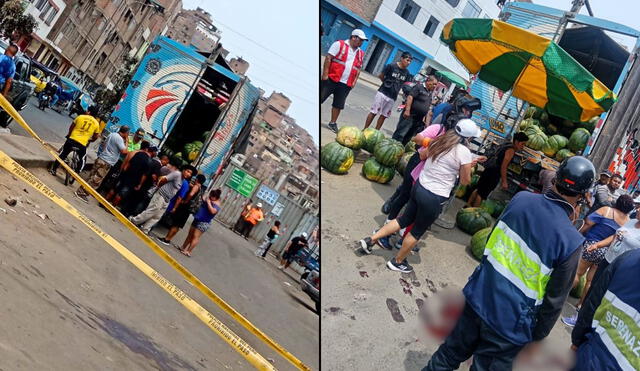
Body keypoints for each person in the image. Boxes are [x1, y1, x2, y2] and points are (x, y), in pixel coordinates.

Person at [421, 156, 595, 370]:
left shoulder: (521, 199)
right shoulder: (572, 241)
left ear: (556, 179)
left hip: (477, 295)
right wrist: (535, 339)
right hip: (510, 326)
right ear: (583, 195)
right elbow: (554, 301)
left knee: (447, 356)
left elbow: (491, 241)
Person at [358, 119, 484, 273]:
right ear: (468, 138)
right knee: (417, 231)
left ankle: (371, 240)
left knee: (402, 219)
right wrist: (467, 165)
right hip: (434, 196)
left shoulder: (439, 140)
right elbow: (465, 181)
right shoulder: (463, 152)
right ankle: (397, 262)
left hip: (419, 187)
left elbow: (423, 156)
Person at [561, 194, 634, 327]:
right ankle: (580, 305)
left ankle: (560, 297)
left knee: (576, 273)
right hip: (606, 252)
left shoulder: (606, 210)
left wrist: (576, 234)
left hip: (591, 245)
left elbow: (587, 223)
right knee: (591, 282)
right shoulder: (629, 221)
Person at [571, 248, 640, 370]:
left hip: (589, 358)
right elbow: (593, 303)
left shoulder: (628, 258)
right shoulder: (628, 258)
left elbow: (592, 304)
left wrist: (576, 341)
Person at [466, 132, 529, 207]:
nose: (523, 147)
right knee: (482, 194)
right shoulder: (511, 150)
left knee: (478, 189)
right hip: (494, 173)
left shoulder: (506, 145)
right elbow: (503, 167)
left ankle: (467, 205)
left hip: (489, 169)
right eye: (522, 144)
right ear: (516, 142)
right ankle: (473, 211)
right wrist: (504, 181)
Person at [321, 29, 367, 133]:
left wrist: (354, 82)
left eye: (362, 41)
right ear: (353, 37)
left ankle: (332, 123)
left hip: (346, 83)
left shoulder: (360, 53)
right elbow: (329, 58)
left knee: (338, 104)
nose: (361, 42)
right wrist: (325, 75)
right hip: (332, 78)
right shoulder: (339, 44)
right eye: (360, 40)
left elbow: (358, 68)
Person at [129, 163, 195, 234]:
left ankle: (145, 229)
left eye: (190, 174)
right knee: (152, 210)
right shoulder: (177, 174)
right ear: (184, 170)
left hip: (167, 200)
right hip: (161, 195)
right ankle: (134, 220)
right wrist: (159, 187)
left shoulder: (182, 180)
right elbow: (164, 179)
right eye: (188, 171)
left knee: (157, 216)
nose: (188, 174)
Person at [75, 126, 129, 203]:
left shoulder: (112, 134)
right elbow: (124, 151)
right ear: (126, 132)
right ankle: (81, 193)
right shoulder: (120, 139)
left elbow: (104, 144)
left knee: (92, 176)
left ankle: (81, 190)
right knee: (96, 180)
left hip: (101, 157)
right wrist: (126, 142)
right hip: (107, 161)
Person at [363, 52, 413, 130]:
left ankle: (376, 132)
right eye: (407, 60)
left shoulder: (407, 73)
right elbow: (381, 75)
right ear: (402, 58)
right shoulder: (391, 66)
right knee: (374, 112)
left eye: (410, 61)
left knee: (384, 116)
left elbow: (405, 85)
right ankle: (365, 129)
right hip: (382, 93)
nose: (408, 63)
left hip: (392, 97)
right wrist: (386, 83)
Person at [50, 105, 101, 176]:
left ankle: (53, 169)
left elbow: (71, 127)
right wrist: (91, 140)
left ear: (89, 112)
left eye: (87, 110)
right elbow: (96, 136)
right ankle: (76, 174)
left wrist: (69, 135)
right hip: (82, 144)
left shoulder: (80, 117)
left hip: (72, 140)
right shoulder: (96, 123)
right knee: (82, 159)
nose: (86, 111)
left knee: (63, 154)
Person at [158, 174, 207, 246]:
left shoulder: (196, 186)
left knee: (176, 223)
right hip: (187, 209)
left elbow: (191, 194)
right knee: (178, 225)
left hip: (185, 207)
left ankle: (166, 239)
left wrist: (185, 201)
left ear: (197, 179)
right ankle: (168, 239)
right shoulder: (200, 188)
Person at [104, 142, 155, 208]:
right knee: (121, 194)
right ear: (146, 149)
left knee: (114, 189)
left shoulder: (136, 153)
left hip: (124, 174)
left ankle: (104, 202)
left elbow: (126, 164)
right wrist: (139, 184)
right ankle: (110, 208)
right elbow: (144, 175)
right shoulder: (149, 161)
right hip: (132, 181)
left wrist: (122, 172)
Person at [392, 76, 438, 145]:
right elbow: (410, 97)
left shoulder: (430, 92)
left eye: (435, 84)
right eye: (434, 84)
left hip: (418, 119)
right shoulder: (419, 87)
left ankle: (400, 151)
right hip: (410, 115)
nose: (435, 86)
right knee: (400, 133)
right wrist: (407, 110)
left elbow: (427, 105)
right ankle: (392, 147)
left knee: (409, 136)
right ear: (428, 81)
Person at [98, 128, 145, 194]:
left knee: (116, 179)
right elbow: (123, 151)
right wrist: (131, 152)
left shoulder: (139, 145)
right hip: (118, 160)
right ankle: (99, 189)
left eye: (140, 138)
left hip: (126, 164)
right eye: (138, 137)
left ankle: (107, 191)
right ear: (135, 134)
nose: (138, 139)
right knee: (108, 174)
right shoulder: (127, 138)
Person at [179, 189, 222, 257]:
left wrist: (208, 202)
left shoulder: (217, 204)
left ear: (216, 197)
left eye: (212, 197)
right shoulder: (209, 198)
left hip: (204, 222)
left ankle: (188, 251)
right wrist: (207, 195)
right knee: (190, 234)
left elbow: (213, 211)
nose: (210, 197)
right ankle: (183, 247)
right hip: (197, 218)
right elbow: (203, 197)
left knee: (195, 237)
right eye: (210, 195)